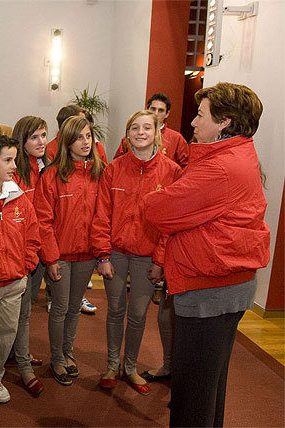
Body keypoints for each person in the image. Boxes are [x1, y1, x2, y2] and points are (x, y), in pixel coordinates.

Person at [144, 82, 270, 427]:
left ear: (225, 121)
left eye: (200, 115)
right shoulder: (234, 154)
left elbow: (157, 210)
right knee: (208, 385)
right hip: (223, 284)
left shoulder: (221, 168)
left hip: (210, 289)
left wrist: (160, 190)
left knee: (193, 392)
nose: (193, 123)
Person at [91, 110, 182, 395]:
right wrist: (102, 255)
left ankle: (129, 367)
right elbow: (101, 214)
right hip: (115, 253)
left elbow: (171, 224)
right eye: (134, 128)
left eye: (146, 128)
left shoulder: (172, 172)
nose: (140, 132)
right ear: (127, 133)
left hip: (148, 258)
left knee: (139, 314)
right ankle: (111, 365)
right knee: (115, 311)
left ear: (157, 133)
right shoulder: (114, 169)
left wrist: (160, 260)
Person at [34, 116, 105, 386]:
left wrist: (101, 252)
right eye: (78, 137)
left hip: (86, 254)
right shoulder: (52, 175)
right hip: (60, 255)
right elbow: (43, 220)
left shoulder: (99, 172)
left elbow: (103, 215)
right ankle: (57, 359)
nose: (85, 142)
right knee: (60, 308)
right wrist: (50, 258)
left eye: (88, 136)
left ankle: (68, 352)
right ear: (67, 141)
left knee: (75, 307)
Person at [0, 134, 40, 403]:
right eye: (8, 160)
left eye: (15, 159)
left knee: (3, 339)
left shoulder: (19, 196)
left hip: (14, 283)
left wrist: (24, 267)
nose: (15, 165)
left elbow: (33, 236)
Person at [9, 116, 49, 393]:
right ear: (22, 141)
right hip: (21, 255)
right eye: (34, 137)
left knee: (24, 311)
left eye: (44, 135)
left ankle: (18, 353)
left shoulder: (40, 167)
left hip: (36, 251)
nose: (41, 142)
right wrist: (27, 257)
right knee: (20, 314)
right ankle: (22, 364)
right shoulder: (17, 174)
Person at [114, 93, 189, 168]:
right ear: (147, 109)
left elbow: (185, 168)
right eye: (153, 109)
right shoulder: (132, 137)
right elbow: (117, 164)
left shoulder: (176, 138)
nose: (156, 113)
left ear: (167, 114)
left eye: (161, 110)